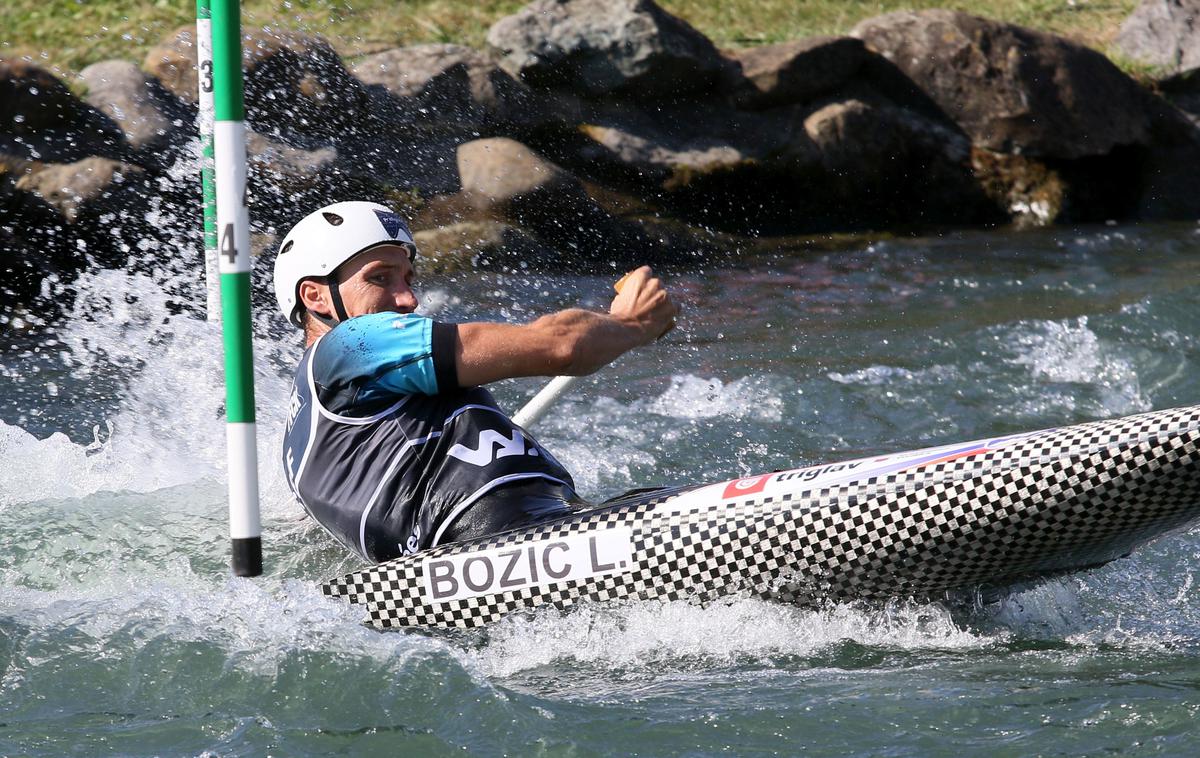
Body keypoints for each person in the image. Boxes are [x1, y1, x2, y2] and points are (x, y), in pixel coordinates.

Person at [274, 200, 677, 563]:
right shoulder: (348, 347)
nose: (408, 299)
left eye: (408, 279)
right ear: (316, 297)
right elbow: (563, 345)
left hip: (550, 532)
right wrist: (632, 321)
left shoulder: (316, 428)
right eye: (381, 278)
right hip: (503, 546)